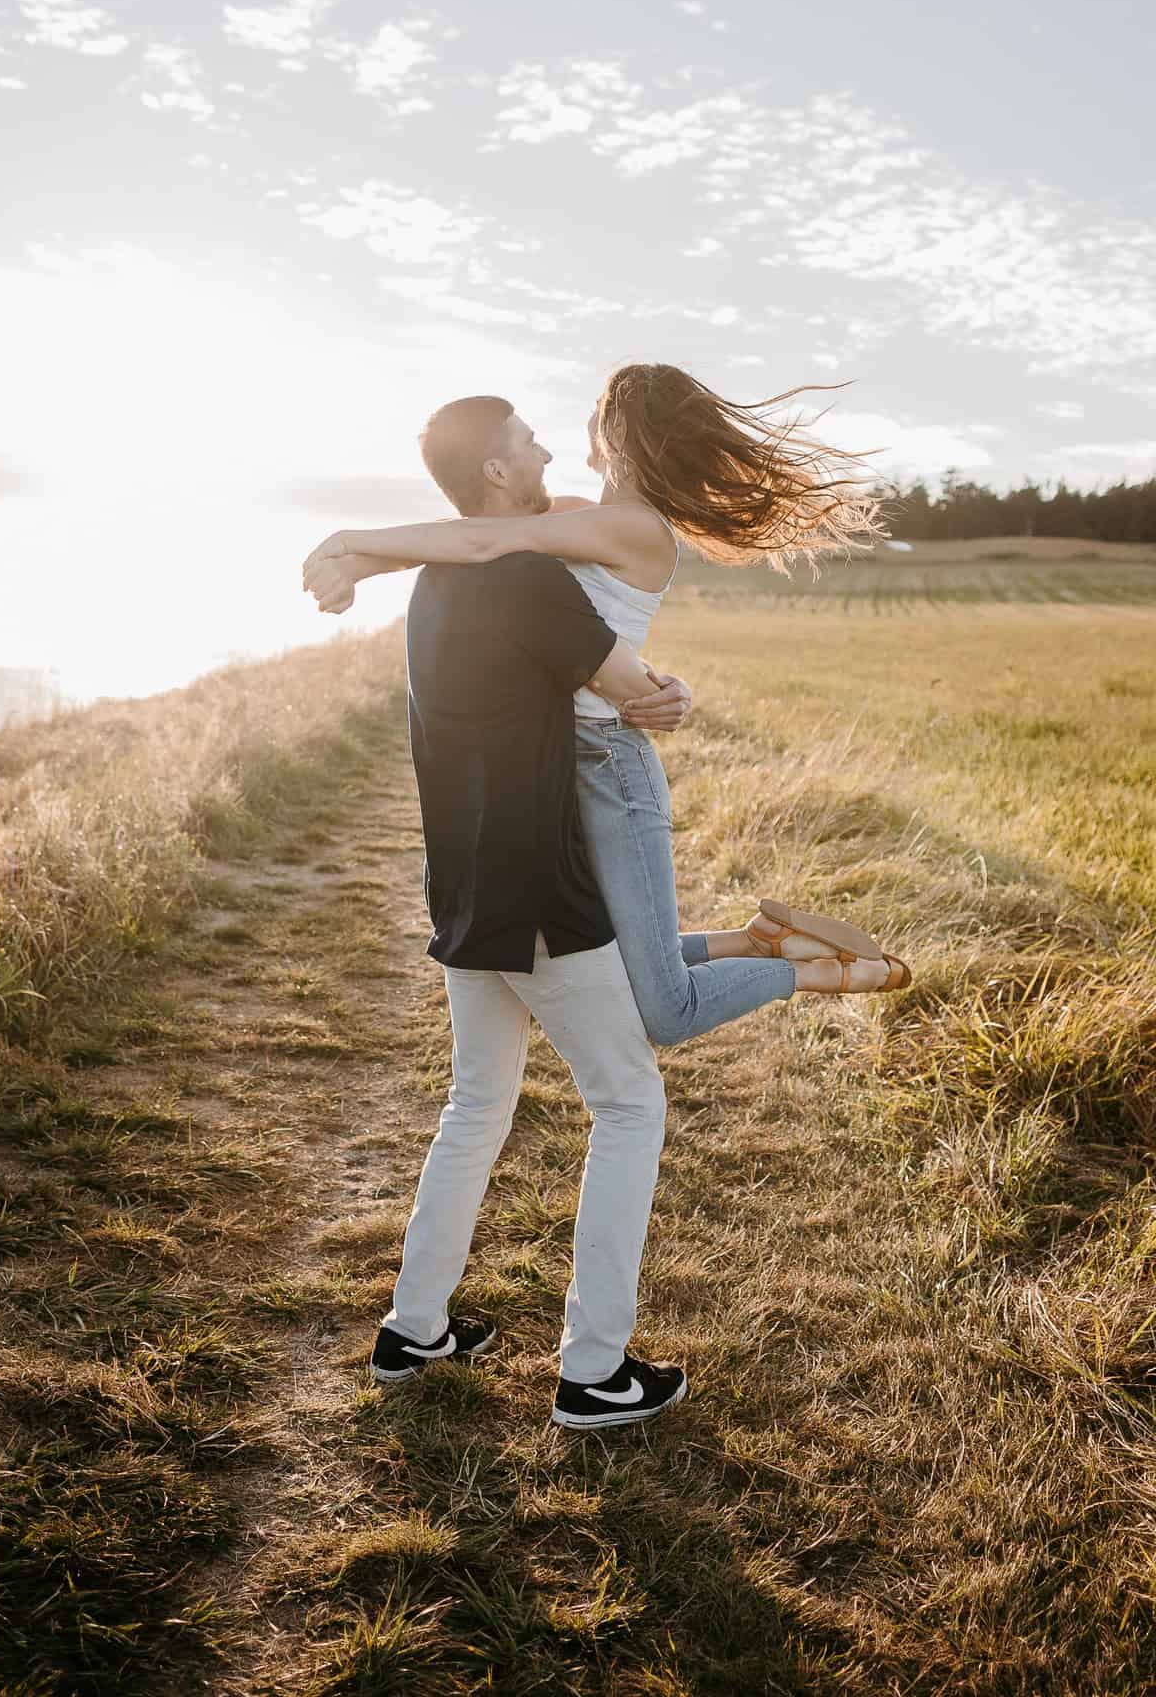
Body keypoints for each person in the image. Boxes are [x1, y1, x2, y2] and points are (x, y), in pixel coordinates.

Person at [302, 389, 908, 1432]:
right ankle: (593, 1373)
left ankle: (416, 1327)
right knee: (630, 1097)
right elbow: (539, 590)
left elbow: (478, 544)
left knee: (476, 1104)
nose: (552, 441)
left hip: (467, 891)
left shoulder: (458, 581)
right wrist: (643, 690)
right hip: (538, 884)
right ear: (497, 474)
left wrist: (356, 551)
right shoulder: (527, 573)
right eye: (527, 440)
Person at [303, 370, 910, 1055]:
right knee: (594, 948)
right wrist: (360, 567)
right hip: (560, 757)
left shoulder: (635, 528)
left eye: (596, 413)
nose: (575, 431)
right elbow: (467, 533)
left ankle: (800, 971)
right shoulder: (574, 511)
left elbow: (480, 544)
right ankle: (754, 939)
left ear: (621, 434)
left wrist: (348, 540)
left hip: (610, 763)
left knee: (666, 1012)